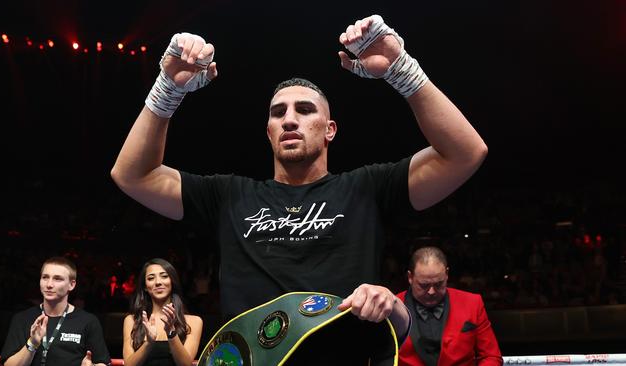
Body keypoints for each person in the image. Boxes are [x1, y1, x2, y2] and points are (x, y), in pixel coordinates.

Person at [111, 14, 487, 342]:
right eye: (278, 113)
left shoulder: (366, 188)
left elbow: (465, 153)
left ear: (330, 130)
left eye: (305, 110)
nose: (289, 119)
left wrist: (401, 69)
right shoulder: (229, 195)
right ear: (269, 132)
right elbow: (132, 175)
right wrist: (168, 88)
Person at [395, 247, 502, 366]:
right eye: (424, 285)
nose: (431, 291)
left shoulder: (472, 303)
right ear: (410, 277)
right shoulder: (391, 308)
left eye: (438, 284)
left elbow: (491, 356)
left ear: (446, 274)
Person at [0, 257, 110, 366]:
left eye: (57, 279)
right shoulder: (22, 319)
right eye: (45, 277)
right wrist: (32, 344)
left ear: (71, 285)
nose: (49, 284)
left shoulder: (88, 321)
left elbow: (103, 363)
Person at [122, 258, 203, 366]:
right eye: (151, 278)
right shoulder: (132, 320)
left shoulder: (193, 321)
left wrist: (172, 333)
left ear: (172, 281)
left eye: (164, 276)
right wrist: (149, 343)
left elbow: (185, 364)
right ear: (145, 287)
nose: (158, 282)